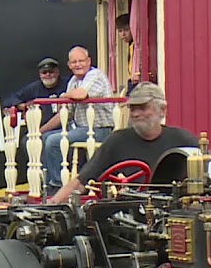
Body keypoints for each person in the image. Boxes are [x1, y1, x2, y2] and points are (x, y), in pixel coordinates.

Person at [48, 82, 197, 204]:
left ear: (162, 110)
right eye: (133, 109)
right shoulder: (118, 140)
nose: (136, 114)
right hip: (132, 217)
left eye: (143, 108)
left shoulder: (183, 139)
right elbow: (80, 182)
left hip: (176, 215)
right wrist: (52, 205)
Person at [39, 45, 115, 196]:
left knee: (54, 141)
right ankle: (48, 184)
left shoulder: (95, 75)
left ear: (89, 61)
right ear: (69, 65)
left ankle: (58, 187)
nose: (78, 64)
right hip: (83, 130)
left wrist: (63, 96)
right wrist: (39, 131)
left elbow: (80, 94)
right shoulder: (73, 80)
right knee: (44, 138)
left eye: (81, 60)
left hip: (100, 129)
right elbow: (64, 113)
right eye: (74, 62)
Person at [3, 57, 66, 127]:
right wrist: (21, 105)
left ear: (57, 72)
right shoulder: (34, 87)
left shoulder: (67, 84)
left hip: (64, 127)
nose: (48, 75)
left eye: (51, 72)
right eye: (44, 72)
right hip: (39, 128)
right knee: (25, 138)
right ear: (40, 74)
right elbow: (9, 100)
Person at [116, 13, 138, 94]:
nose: (123, 34)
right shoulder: (131, 46)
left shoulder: (137, 46)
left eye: (126, 30)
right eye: (120, 31)